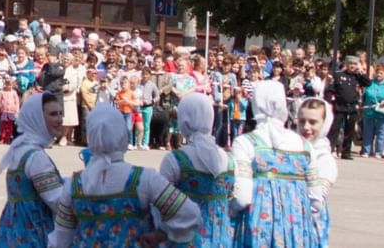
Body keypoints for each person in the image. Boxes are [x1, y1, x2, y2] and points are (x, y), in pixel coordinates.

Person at [48, 101, 199, 248]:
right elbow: (189, 213)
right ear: (122, 134)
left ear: (91, 136)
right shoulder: (143, 179)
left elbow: (61, 238)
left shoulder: (74, 185)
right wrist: (160, 235)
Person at [230, 80, 317, 248]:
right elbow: (316, 196)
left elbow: (242, 197)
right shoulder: (304, 145)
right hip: (297, 228)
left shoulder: (246, 142)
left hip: (258, 227)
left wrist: (230, 210)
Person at [0, 91, 67, 248]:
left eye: (61, 114)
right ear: (37, 118)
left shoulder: (20, 148)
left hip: (12, 230)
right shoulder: (36, 157)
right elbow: (57, 200)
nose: (60, 119)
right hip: (32, 232)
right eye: (53, 114)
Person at [160, 93, 234, 248]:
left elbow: (161, 204)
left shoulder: (176, 159)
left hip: (184, 239)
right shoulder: (229, 160)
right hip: (220, 238)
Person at [292, 98, 337, 245]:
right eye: (302, 121)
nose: (306, 127)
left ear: (325, 124)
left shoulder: (324, 158)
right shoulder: (290, 148)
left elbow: (316, 201)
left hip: (310, 220)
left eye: (313, 122)